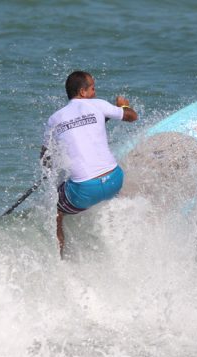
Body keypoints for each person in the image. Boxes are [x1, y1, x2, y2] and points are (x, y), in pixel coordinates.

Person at [41, 71, 138, 257]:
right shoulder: (99, 105)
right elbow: (132, 116)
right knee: (110, 181)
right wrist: (123, 104)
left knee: (55, 209)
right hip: (115, 180)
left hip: (84, 191)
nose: (95, 92)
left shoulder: (54, 119)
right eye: (92, 88)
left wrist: (52, 173)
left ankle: (60, 259)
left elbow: (46, 158)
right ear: (82, 92)